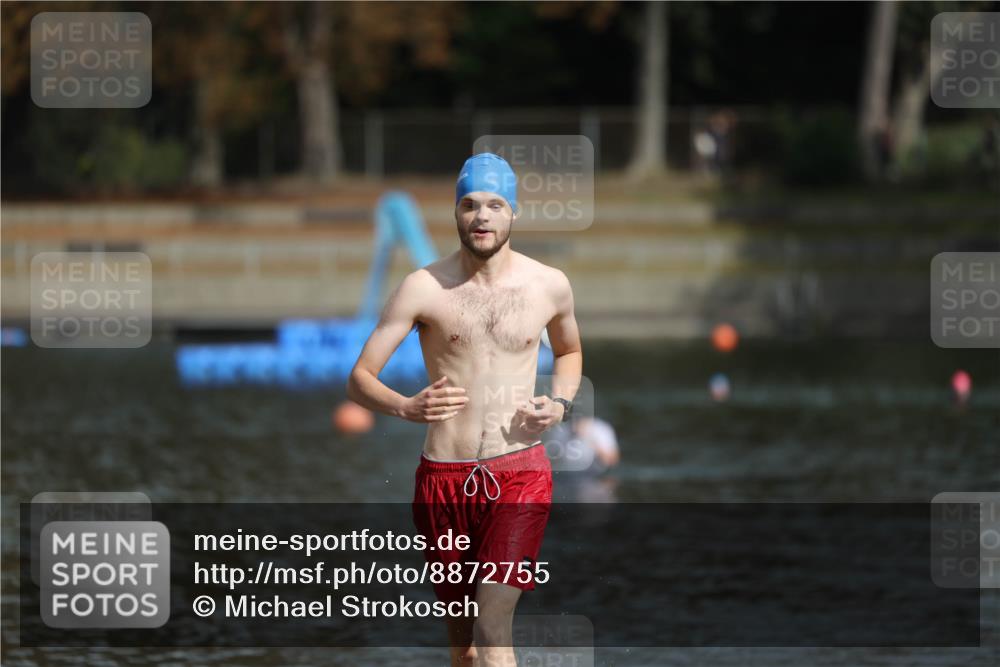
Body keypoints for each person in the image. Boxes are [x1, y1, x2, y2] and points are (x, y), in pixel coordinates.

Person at [347, 152, 583, 666]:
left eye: (495, 205)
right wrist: (405, 407)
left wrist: (561, 403)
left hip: (520, 473)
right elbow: (360, 378)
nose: (482, 216)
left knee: (493, 624)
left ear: (513, 213)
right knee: (465, 648)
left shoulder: (549, 284)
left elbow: (568, 351)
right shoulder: (423, 287)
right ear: (455, 212)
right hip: (442, 481)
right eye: (470, 205)